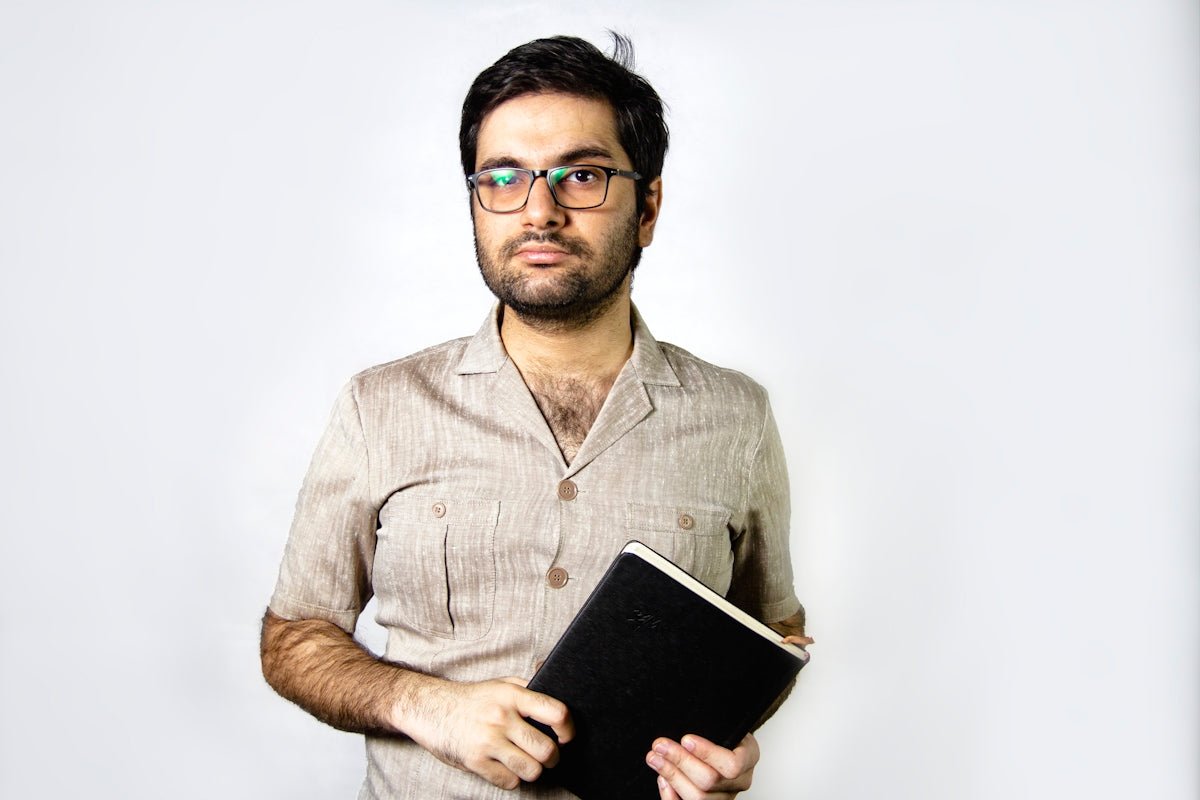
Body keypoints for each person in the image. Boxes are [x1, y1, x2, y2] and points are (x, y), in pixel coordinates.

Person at [260, 33, 810, 800]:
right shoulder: (378, 406)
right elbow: (293, 638)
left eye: (581, 175)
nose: (539, 211)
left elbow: (772, 635)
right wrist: (427, 706)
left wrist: (726, 742)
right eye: (504, 177)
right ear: (476, 202)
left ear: (648, 206)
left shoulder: (736, 417)